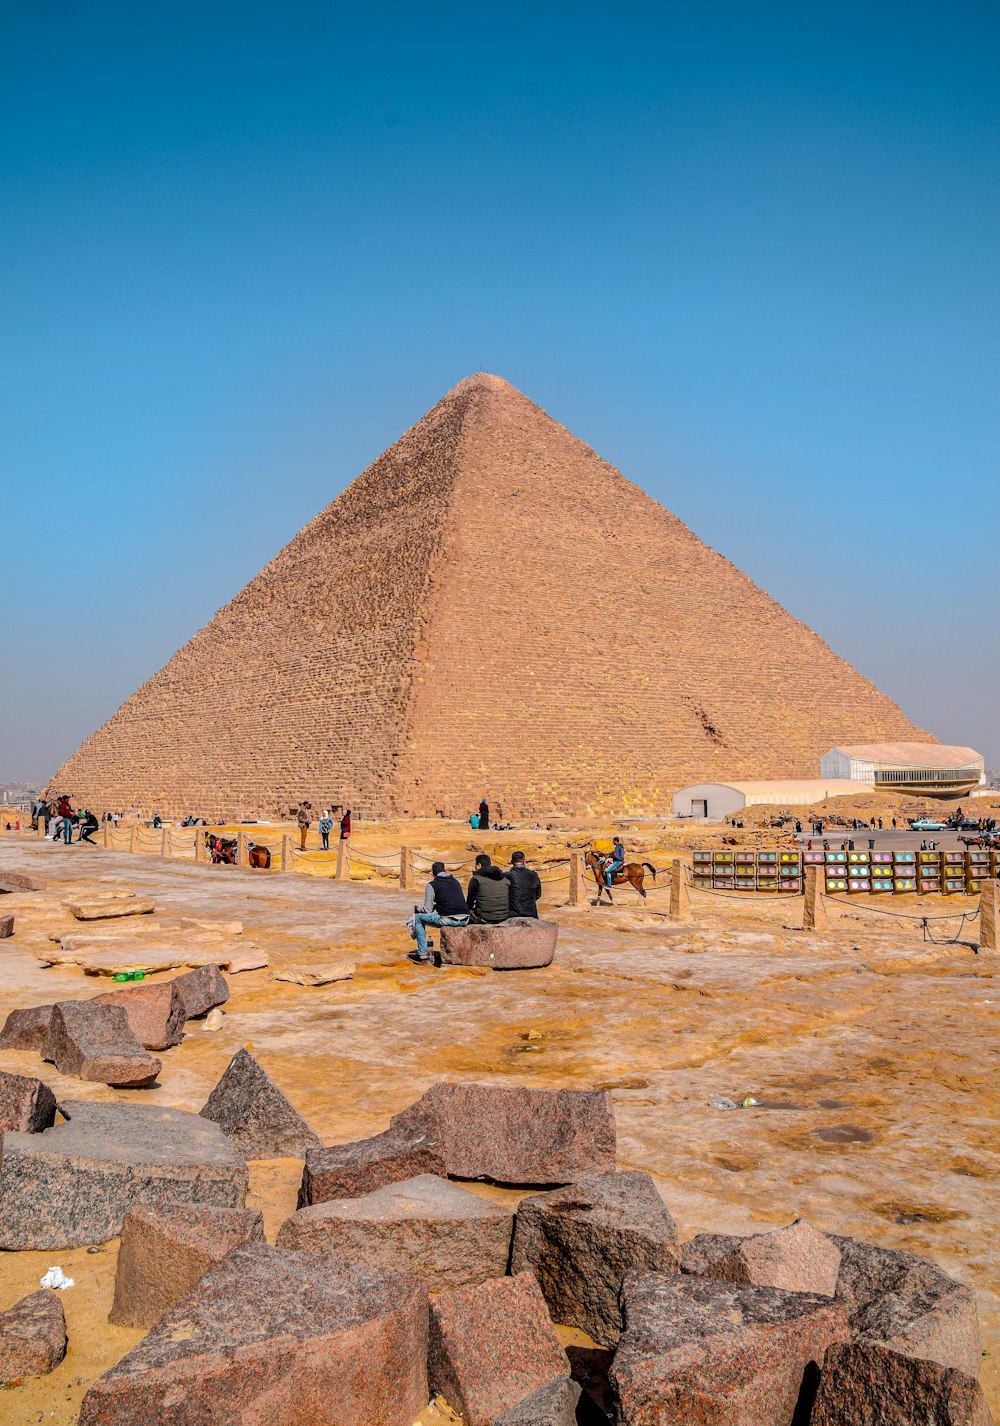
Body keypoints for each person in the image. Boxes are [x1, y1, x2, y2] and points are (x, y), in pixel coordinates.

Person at [407, 860, 471, 964]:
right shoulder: (455, 881)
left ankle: (422, 955)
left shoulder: (432, 884)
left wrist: (418, 909)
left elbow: (427, 909)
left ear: (433, 873)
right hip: (465, 918)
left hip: (448, 919)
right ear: (445, 870)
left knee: (418, 919)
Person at [467, 853, 510, 923]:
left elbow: (470, 901)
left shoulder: (476, 879)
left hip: (484, 917)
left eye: (475, 865)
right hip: (504, 916)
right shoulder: (504, 878)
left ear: (479, 865)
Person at [506, 851, 541, 918]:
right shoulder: (534, 875)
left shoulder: (507, 876)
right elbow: (538, 895)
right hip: (531, 912)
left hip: (512, 913)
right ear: (524, 861)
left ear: (511, 862)